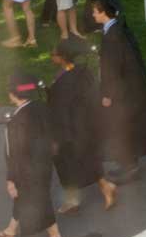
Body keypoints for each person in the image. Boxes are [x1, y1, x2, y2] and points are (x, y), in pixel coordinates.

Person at [0, 71, 63, 237]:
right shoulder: (40, 108)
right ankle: (10, 231)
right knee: (26, 198)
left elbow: (14, 154)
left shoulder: (17, 122)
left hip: (27, 170)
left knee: (40, 202)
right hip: (43, 165)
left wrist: (11, 179)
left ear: (14, 94)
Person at [47, 37, 114, 213]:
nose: (50, 57)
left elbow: (58, 110)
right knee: (88, 159)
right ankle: (106, 187)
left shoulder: (63, 82)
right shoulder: (83, 72)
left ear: (62, 57)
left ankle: (72, 201)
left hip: (68, 130)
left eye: (53, 54)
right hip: (86, 126)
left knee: (66, 165)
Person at [91, 0, 146, 181]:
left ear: (104, 13)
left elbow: (113, 69)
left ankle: (129, 167)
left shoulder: (113, 37)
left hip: (123, 93)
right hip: (130, 89)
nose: (93, 14)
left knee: (123, 127)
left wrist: (107, 95)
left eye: (95, 11)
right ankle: (128, 162)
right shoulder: (118, 29)